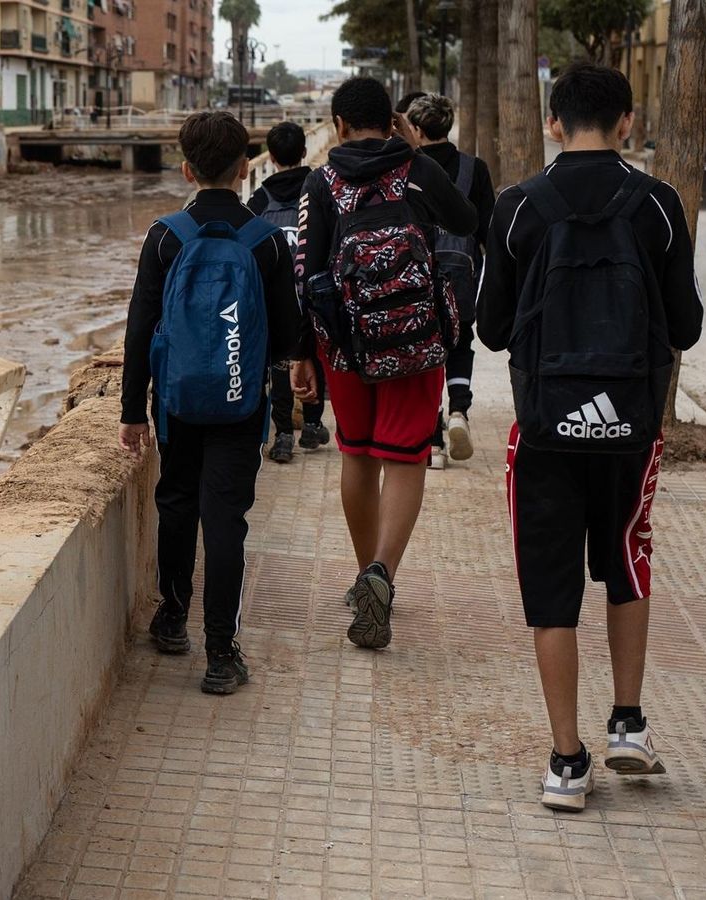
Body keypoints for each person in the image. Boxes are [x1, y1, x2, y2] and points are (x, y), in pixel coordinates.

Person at [475, 63, 703, 812]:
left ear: (552, 123)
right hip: (630, 428)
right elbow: (689, 325)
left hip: (545, 428)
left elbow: (493, 329)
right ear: (627, 123)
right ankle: (628, 725)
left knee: (551, 591)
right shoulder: (659, 205)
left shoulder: (517, 208)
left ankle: (567, 764)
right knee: (627, 561)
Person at [289, 77, 476, 650]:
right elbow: (465, 222)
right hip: (416, 342)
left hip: (346, 345)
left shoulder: (322, 181)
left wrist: (303, 355)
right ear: (393, 120)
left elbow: (308, 269)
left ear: (338, 125)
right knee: (405, 458)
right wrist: (416, 154)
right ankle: (383, 573)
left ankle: (362, 569)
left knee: (358, 454)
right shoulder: (417, 170)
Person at [119, 111, 300, 695]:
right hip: (241, 404)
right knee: (226, 522)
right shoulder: (267, 241)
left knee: (176, 505)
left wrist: (129, 410)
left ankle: (172, 618)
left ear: (186, 169)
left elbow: (140, 326)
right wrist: (293, 380)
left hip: (175, 402)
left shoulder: (165, 235)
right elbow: (287, 334)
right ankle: (222, 654)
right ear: (247, 169)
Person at [398, 92, 498, 469]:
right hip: (462, 274)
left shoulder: (407, 168)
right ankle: (459, 411)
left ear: (418, 129)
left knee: (423, 353)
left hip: (416, 273)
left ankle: (433, 442)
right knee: (459, 343)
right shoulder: (475, 168)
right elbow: (487, 230)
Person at [247, 121, 329, 464]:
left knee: (280, 363)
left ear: (272, 155)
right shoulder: (319, 189)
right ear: (304, 151)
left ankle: (282, 435)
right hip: (314, 291)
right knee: (314, 354)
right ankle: (311, 425)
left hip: (274, 296)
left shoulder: (260, 198)